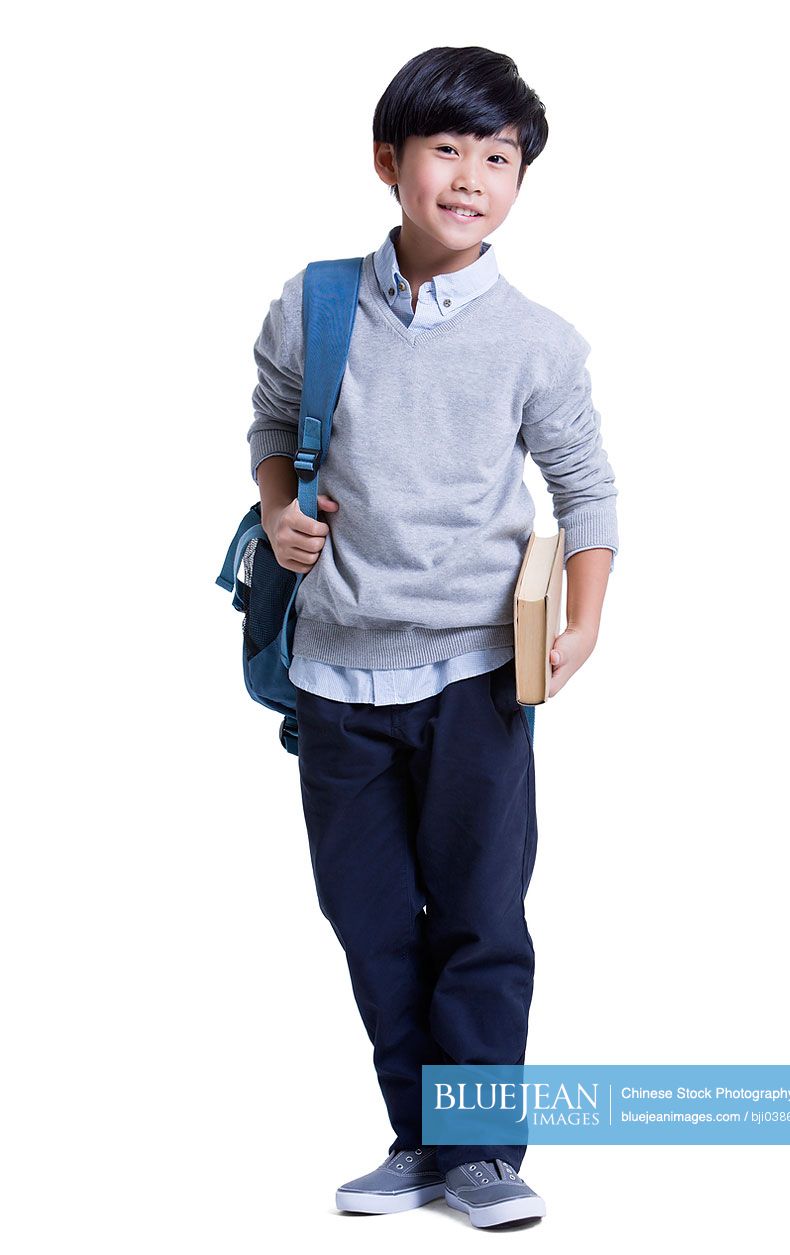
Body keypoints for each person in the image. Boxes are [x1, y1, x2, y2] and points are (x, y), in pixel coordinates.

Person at [246, 45, 619, 1229]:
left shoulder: (539, 341)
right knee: (366, 917)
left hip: (476, 672)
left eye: (498, 157)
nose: (470, 177)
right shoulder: (312, 307)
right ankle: (418, 1139)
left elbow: (587, 489)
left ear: (520, 180)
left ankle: (479, 1152)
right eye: (447, 148)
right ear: (388, 161)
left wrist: (586, 618)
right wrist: (276, 509)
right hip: (338, 669)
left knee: (477, 915)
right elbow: (269, 424)